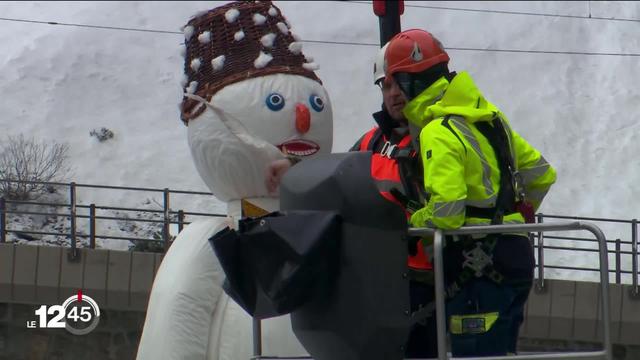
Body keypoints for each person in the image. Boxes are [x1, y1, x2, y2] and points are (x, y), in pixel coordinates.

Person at [384, 29, 556, 357]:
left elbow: (448, 212)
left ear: (409, 82)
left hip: (474, 267)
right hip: (515, 257)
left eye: (397, 83)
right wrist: (517, 213)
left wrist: (412, 221)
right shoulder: (490, 119)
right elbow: (543, 176)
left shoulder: (437, 131)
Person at [266, 44, 438, 358]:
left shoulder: (436, 138)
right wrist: (296, 169)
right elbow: (338, 179)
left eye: (400, 83)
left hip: (424, 282)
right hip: (375, 277)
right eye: (385, 85)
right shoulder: (374, 140)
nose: (392, 93)